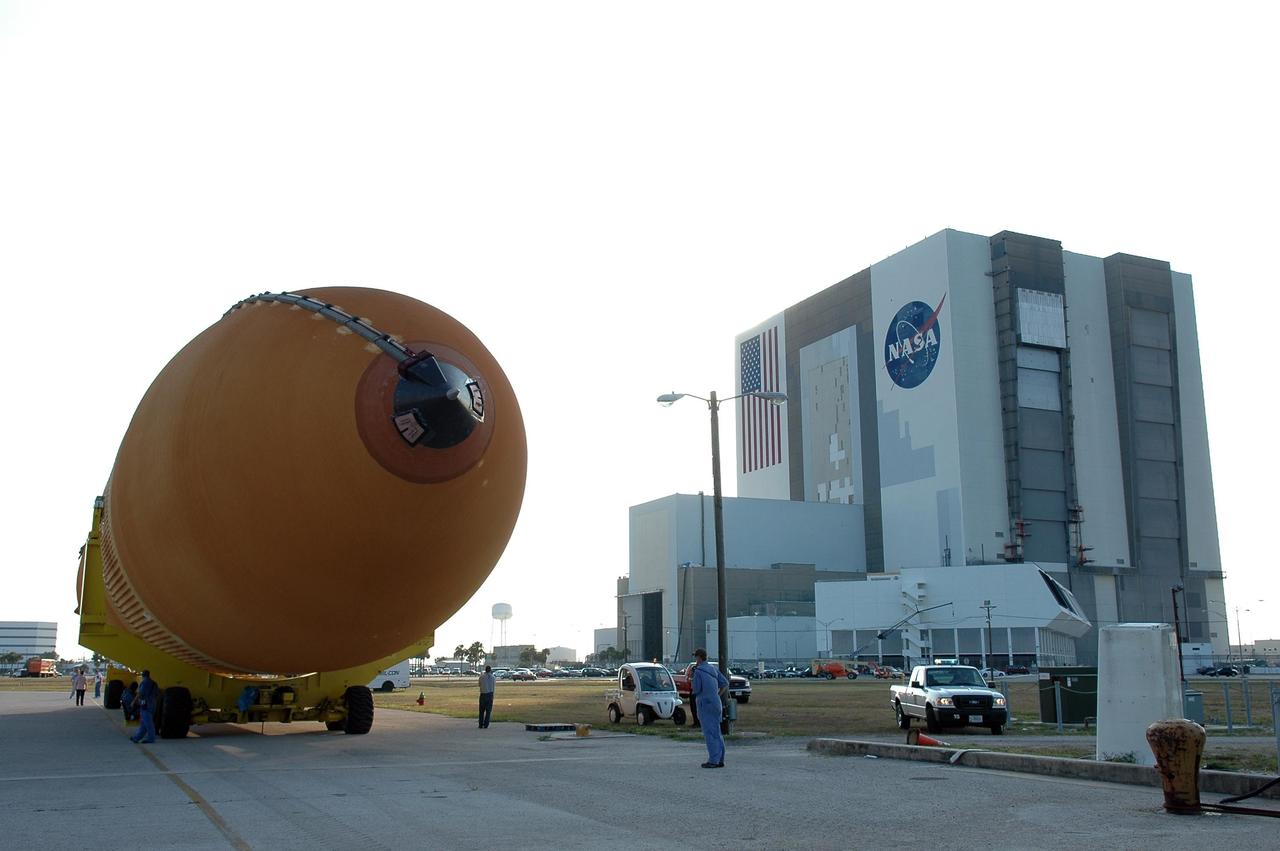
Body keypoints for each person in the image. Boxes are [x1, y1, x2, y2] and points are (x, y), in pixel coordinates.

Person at [691, 648, 728, 768]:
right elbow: (725, 683)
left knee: (709, 732)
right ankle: (720, 758)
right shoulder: (713, 669)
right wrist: (717, 694)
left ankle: (713, 760)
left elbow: (696, 689)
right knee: (717, 731)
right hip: (716, 702)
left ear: (699, 658)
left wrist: (692, 678)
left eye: (696, 657)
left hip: (705, 703)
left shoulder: (698, 671)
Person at [129, 670, 159, 743]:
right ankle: (137, 738)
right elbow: (157, 694)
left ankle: (151, 739)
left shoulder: (144, 683)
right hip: (153, 704)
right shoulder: (154, 683)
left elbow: (140, 693)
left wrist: (133, 701)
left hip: (145, 704)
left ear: (143, 675)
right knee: (144, 722)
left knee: (148, 723)